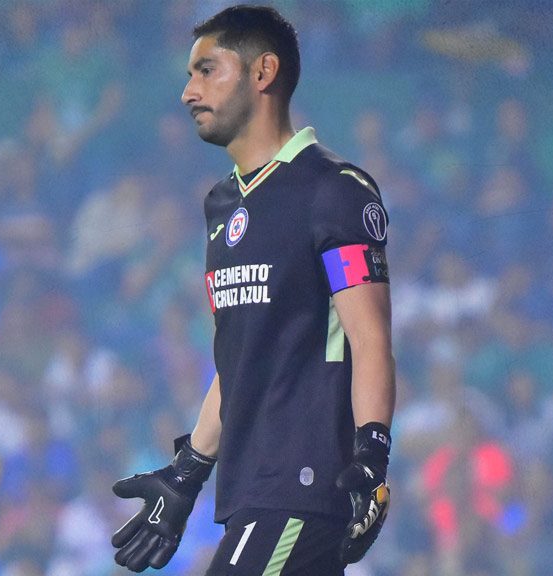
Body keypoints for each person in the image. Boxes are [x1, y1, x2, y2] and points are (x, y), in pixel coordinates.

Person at [111, 6, 395, 575]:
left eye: (206, 70)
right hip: (250, 491)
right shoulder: (222, 203)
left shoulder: (333, 191)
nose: (189, 92)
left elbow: (369, 338)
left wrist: (371, 459)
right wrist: (189, 470)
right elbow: (240, 359)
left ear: (262, 72)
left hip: (302, 484)